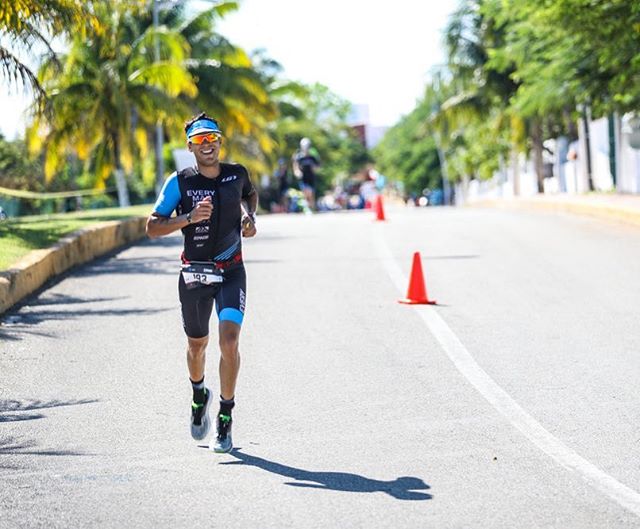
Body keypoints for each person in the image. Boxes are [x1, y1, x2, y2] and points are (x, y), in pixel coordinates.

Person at [146, 112, 258, 453]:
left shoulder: (237, 174)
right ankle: (199, 394)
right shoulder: (180, 182)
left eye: (213, 138)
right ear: (190, 146)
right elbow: (152, 226)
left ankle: (225, 417)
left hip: (231, 270)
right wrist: (188, 218)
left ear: (220, 141)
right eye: (200, 141)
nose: (207, 145)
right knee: (197, 346)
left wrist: (250, 218)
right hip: (194, 274)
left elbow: (249, 196)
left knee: (229, 340)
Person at [292, 137, 320, 210]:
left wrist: (315, 168)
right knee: (306, 193)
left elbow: (317, 166)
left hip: (311, 178)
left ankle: (312, 208)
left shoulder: (312, 157)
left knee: (311, 194)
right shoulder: (299, 157)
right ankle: (308, 208)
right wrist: (297, 172)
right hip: (303, 178)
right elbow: (295, 166)